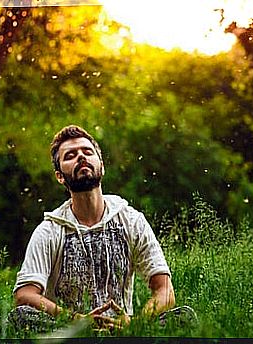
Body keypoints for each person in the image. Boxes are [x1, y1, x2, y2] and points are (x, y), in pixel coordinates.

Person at [9, 125, 176, 332]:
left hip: (122, 330)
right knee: (20, 317)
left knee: (183, 317)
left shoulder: (131, 220)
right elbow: (24, 295)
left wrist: (135, 324)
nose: (81, 157)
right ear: (60, 176)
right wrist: (76, 320)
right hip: (69, 331)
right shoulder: (49, 230)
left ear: (102, 166)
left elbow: (165, 289)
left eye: (87, 152)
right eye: (70, 155)